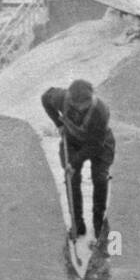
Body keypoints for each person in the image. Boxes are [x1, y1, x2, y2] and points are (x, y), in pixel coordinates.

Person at [41, 79, 116, 240]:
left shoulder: (100, 111)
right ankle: (77, 225)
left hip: (100, 144)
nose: (81, 109)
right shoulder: (61, 97)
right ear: (70, 98)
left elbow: (94, 146)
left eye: (85, 105)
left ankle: (99, 226)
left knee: (99, 178)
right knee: (71, 179)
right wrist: (59, 124)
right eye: (77, 105)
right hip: (72, 141)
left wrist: (74, 162)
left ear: (91, 98)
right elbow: (45, 98)